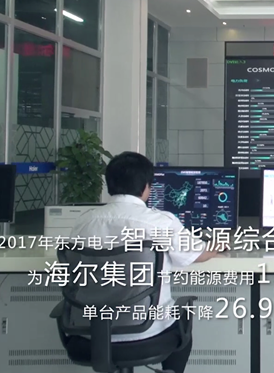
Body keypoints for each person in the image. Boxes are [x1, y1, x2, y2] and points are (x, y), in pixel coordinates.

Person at [69, 152, 223, 373]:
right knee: (182, 320)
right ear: (146, 187)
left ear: (108, 184)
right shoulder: (160, 222)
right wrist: (217, 245)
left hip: (90, 335)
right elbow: (198, 255)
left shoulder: (83, 222)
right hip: (148, 333)